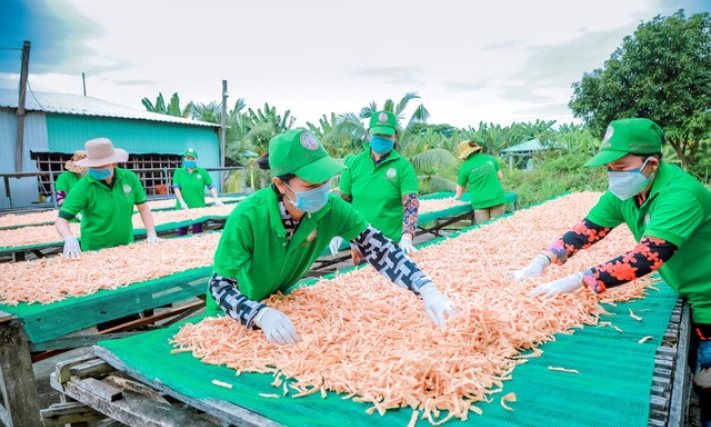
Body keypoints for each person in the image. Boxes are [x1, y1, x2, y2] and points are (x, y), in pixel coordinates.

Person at [509, 118, 711, 426]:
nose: (614, 175)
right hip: (689, 290)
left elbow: (648, 256)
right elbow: (588, 230)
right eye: (609, 168)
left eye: (620, 166)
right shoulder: (627, 193)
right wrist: (545, 259)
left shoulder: (682, 194)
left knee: (706, 384)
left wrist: (580, 279)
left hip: (708, 297)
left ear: (651, 163)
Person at [208, 128, 459, 345]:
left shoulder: (332, 207)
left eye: (326, 181)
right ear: (281, 184)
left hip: (281, 301)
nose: (322, 191)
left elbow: (380, 250)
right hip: (233, 314)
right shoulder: (248, 218)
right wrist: (260, 315)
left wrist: (426, 288)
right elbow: (219, 285)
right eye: (310, 186)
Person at [332, 110, 420, 265]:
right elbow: (343, 202)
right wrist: (337, 230)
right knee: (362, 283)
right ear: (368, 134)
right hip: (360, 243)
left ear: (395, 136)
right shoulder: (353, 164)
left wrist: (407, 237)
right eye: (377, 134)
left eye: (386, 135)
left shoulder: (403, 167)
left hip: (391, 243)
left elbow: (411, 206)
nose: (382, 139)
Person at [172, 148, 224, 236]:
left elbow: (210, 186)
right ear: (185, 159)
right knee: (182, 232)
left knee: (198, 232)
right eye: (188, 158)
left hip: (198, 207)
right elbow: (176, 188)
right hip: (184, 207)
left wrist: (216, 198)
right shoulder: (178, 172)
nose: (190, 161)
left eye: (192, 159)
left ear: (196, 160)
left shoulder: (202, 172)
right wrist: (181, 201)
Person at [454, 140, 506, 224]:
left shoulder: (464, 167)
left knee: (484, 230)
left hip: (480, 202)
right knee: (497, 228)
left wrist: (455, 197)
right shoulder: (490, 158)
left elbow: (459, 192)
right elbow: (500, 177)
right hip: (497, 198)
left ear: (464, 154)